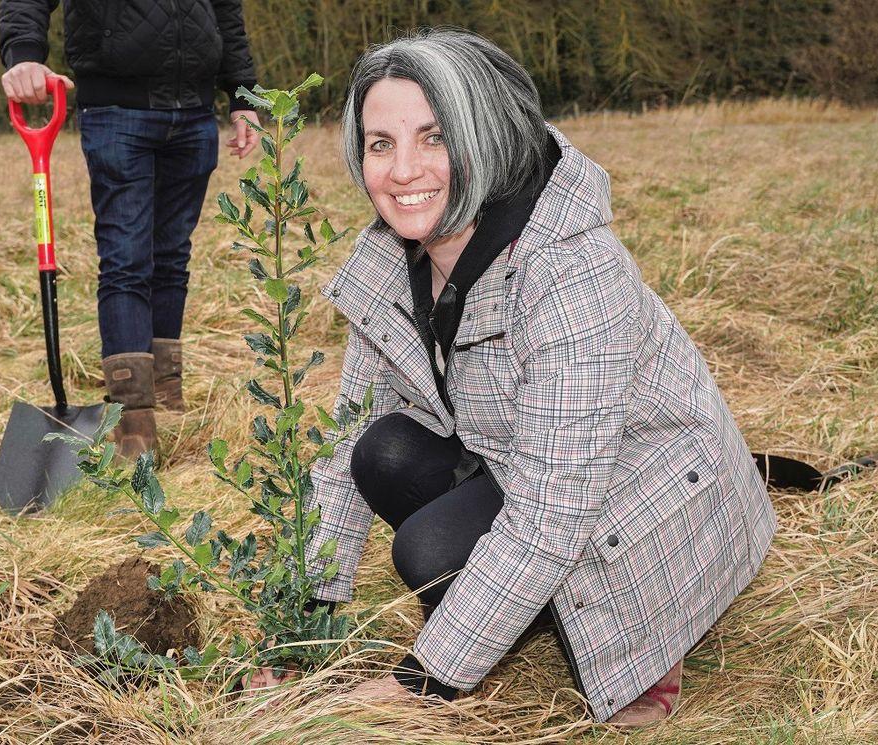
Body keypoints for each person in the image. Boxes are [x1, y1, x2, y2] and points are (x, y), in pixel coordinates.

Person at [301, 29, 777, 726]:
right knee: (382, 450)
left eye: (434, 138)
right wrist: (304, 615)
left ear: (484, 135)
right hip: (523, 462)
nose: (402, 171)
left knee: (430, 548)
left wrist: (422, 683)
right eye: (380, 144)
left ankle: (645, 631)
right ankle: (519, 615)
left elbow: (553, 511)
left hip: (640, 500)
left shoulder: (570, 271)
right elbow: (344, 447)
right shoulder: (392, 256)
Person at [0, 0, 260, 459]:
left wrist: (243, 94)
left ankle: (165, 399)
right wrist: (23, 55)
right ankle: (134, 427)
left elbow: (225, 9)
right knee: (126, 261)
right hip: (117, 109)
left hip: (195, 112)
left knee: (173, 258)